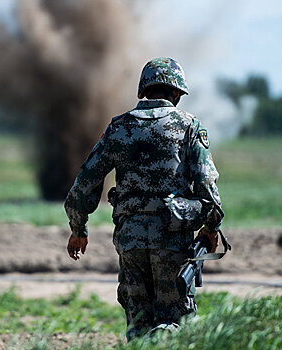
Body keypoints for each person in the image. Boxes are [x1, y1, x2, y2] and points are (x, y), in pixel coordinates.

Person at [64, 57, 224, 340]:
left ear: (145, 89)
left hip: (130, 241)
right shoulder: (189, 126)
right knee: (175, 323)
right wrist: (210, 229)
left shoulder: (119, 128)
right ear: (176, 93)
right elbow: (208, 190)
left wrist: (78, 229)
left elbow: (84, 184)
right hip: (173, 242)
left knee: (138, 326)